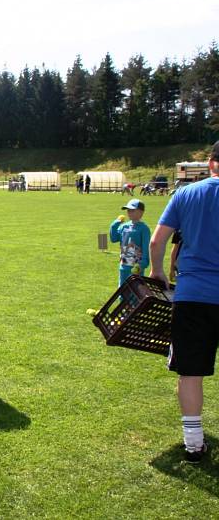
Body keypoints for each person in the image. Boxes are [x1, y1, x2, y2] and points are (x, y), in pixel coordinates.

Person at [148, 141, 219, 463]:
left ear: (210, 162)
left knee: (190, 373)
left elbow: (157, 239)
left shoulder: (187, 193)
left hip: (192, 296)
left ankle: (193, 443)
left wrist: (158, 271)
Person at [109, 199, 150, 287]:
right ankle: (122, 300)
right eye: (128, 210)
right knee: (122, 288)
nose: (129, 212)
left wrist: (142, 264)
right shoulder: (123, 226)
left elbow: (146, 248)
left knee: (136, 289)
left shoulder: (144, 229)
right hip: (124, 264)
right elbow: (114, 239)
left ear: (141, 212)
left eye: (132, 210)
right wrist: (114, 225)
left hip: (136, 266)